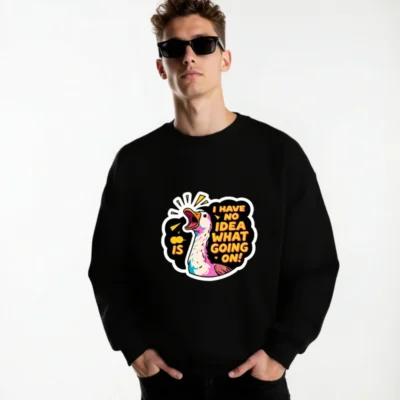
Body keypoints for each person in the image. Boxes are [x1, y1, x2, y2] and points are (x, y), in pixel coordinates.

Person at [87, 0, 340, 399]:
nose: (188, 56)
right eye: (174, 48)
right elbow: (108, 268)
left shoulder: (278, 156)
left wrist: (281, 352)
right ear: (161, 66)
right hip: (168, 386)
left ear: (225, 59)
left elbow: (315, 265)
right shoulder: (135, 164)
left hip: (256, 383)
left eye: (203, 44)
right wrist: (133, 348)